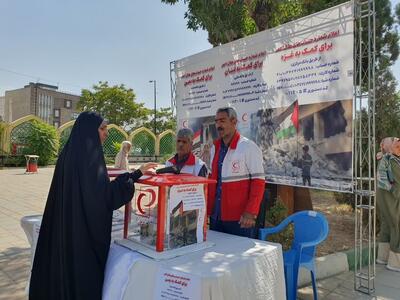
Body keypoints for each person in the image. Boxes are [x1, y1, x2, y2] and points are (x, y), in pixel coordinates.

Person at [29, 112, 157, 300]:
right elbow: (105, 198)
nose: (106, 133)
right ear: (90, 130)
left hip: (67, 231)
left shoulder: (70, 154)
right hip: (82, 239)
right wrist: (136, 174)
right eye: (102, 128)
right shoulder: (89, 159)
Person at [208, 107, 265, 238]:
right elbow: (213, 181)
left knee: (239, 256)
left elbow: (259, 182)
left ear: (234, 121)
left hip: (240, 218)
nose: (218, 125)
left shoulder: (248, 147)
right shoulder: (214, 148)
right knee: (216, 254)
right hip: (216, 215)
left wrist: (251, 212)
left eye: (222, 121)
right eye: (216, 122)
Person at [376, 137, 400, 271]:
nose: (396, 139)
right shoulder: (390, 160)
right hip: (392, 199)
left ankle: (383, 257)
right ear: (384, 145)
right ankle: (395, 263)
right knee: (397, 226)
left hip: (385, 199)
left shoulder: (386, 159)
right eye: (392, 139)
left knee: (387, 225)